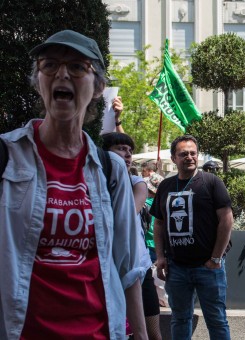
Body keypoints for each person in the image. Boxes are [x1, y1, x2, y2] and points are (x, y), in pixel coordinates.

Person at [0, 29, 147, 339]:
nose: (62, 73)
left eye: (78, 67)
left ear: (98, 87)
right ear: (38, 80)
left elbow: (128, 267)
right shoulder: (6, 157)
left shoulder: (111, 169)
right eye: (49, 64)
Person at [151, 134, 233, 340]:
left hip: (209, 267)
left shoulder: (211, 182)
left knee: (216, 319)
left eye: (193, 153)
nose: (189, 157)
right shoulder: (165, 186)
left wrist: (215, 258)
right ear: (173, 159)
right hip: (176, 267)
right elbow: (159, 222)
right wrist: (160, 257)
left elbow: (226, 220)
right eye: (183, 154)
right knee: (179, 318)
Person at [102, 132, 163, 340]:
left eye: (130, 151)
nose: (127, 154)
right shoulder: (96, 183)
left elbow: (128, 213)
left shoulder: (138, 182)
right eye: (120, 149)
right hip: (109, 268)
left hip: (140, 266)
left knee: (150, 333)